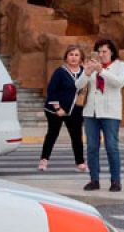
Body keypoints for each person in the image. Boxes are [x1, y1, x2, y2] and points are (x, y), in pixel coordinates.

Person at [81, 38, 124, 192]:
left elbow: (119, 82)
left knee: (111, 147)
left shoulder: (121, 66)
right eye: (99, 51)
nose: (101, 54)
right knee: (92, 147)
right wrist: (87, 73)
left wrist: (101, 71)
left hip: (110, 112)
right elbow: (77, 86)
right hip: (91, 112)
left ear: (112, 52)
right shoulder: (91, 65)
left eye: (104, 51)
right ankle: (94, 179)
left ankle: (116, 181)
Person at [38, 45, 88, 173]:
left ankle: (80, 162)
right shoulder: (60, 71)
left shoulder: (84, 72)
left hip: (75, 110)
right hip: (56, 110)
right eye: (71, 54)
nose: (73, 57)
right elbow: (51, 90)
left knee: (76, 136)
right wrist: (57, 108)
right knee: (52, 134)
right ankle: (44, 159)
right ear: (66, 57)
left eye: (76, 55)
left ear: (81, 58)